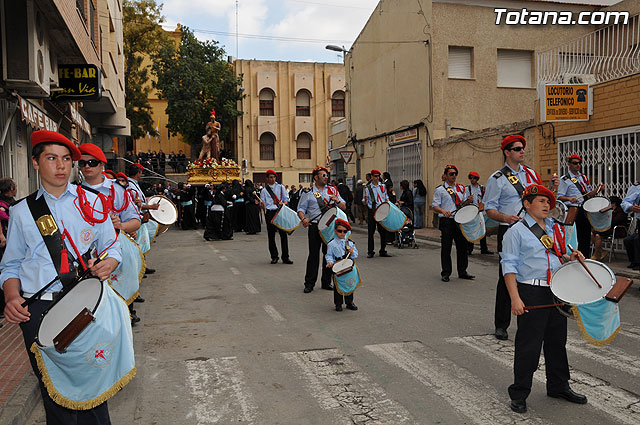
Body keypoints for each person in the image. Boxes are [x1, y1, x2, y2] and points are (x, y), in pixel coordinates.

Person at [1, 131, 123, 424]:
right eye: (51, 158)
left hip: (85, 304)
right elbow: (11, 264)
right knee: (53, 390)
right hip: (39, 310)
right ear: (35, 163)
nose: (61, 166)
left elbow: (112, 246)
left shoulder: (92, 202)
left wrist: (111, 263)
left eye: (66, 159)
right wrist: (11, 296)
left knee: (92, 384)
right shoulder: (21, 211)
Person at [501, 184, 587, 414]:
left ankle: (558, 386)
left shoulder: (553, 228)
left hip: (556, 290)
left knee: (557, 342)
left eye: (548, 201)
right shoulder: (515, 232)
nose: (546, 205)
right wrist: (515, 299)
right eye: (541, 201)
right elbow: (508, 268)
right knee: (529, 345)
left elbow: (558, 255)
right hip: (531, 291)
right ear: (527, 204)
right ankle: (519, 392)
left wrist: (571, 256)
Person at [484, 134, 558, 341]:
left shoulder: (532, 174)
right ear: (507, 152)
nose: (522, 151)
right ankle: (501, 323)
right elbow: (489, 208)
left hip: (534, 231)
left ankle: (532, 316)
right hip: (510, 230)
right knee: (507, 276)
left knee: (535, 272)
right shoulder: (497, 179)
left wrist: (553, 189)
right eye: (517, 149)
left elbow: (541, 200)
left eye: (523, 148)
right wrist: (505, 217)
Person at [78, 143, 144, 323]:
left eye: (91, 162)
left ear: (102, 165)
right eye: (82, 164)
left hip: (117, 253)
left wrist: (121, 225)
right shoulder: (75, 193)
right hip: (88, 255)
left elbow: (136, 221)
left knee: (122, 305)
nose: (87, 167)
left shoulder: (118, 190)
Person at [297, 166, 346, 293]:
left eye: (326, 175)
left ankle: (326, 282)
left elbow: (344, 206)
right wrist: (303, 219)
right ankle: (309, 283)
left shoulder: (333, 190)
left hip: (330, 227)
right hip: (314, 226)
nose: (326, 177)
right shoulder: (308, 193)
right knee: (313, 255)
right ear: (316, 177)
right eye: (323, 175)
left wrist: (337, 201)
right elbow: (301, 209)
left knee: (329, 255)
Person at [431, 165, 474, 282]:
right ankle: (446, 272)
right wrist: (443, 211)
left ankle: (462, 271)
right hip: (447, 221)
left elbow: (463, 205)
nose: (454, 176)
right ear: (445, 175)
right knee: (446, 247)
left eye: (455, 173)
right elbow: (434, 205)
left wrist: (468, 201)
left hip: (460, 220)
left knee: (462, 246)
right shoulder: (440, 190)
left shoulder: (461, 188)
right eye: (451, 174)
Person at [557, 154, 605, 255]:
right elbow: (559, 197)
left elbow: (588, 195)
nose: (578, 165)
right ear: (569, 164)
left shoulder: (583, 178)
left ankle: (585, 257)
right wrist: (569, 198)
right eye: (575, 163)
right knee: (575, 235)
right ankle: (574, 255)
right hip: (573, 210)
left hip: (584, 209)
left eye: (579, 163)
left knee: (585, 236)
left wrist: (598, 189)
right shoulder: (565, 179)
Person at [260, 170, 292, 264]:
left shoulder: (281, 187)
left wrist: (284, 203)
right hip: (270, 213)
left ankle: (285, 257)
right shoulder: (264, 190)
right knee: (271, 236)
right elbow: (263, 204)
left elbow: (287, 200)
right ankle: (274, 256)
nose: (273, 179)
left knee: (283, 235)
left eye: (274, 177)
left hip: (280, 212)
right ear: (267, 179)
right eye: (270, 177)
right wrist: (262, 204)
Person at [325, 219, 358, 311]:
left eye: (344, 231)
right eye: (340, 231)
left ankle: (349, 302)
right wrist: (330, 262)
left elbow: (356, 254)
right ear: (335, 231)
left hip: (349, 268)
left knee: (349, 284)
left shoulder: (349, 243)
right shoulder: (331, 244)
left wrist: (352, 253)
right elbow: (329, 255)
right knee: (338, 286)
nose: (342, 233)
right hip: (338, 267)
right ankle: (338, 304)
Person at [362, 169, 391, 258]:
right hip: (372, 211)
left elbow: (386, 196)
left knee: (383, 232)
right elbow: (363, 201)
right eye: (375, 176)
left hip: (382, 210)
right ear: (371, 177)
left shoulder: (382, 186)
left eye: (378, 176)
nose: (377, 178)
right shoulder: (367, 188)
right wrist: (365, 200)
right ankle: (370, 251)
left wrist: (388, 202)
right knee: (371, 232)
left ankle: (383, 250)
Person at [0, 177, 16, 324]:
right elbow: (4, 217)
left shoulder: (13, 203)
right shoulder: (2, 204)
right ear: (10, 188)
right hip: (4, 245)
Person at [590, 195, 627, 260]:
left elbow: (614, 221)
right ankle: (602, 251)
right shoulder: (609, 211)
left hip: (616, 229)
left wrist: (610, 213)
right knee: (592, 234)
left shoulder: (620, 211)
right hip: (606, 228)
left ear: (613, 204)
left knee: (598, 235)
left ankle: (595, 254)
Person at [467, 171, 492, 255]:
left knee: (482, 230)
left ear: (477, 179)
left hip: (481, 210)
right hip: (472, 211)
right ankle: (469, 249)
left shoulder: (482, 188)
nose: (472, 180)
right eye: (470, 178)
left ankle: (484, 248)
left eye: (474, 178)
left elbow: (486, 198)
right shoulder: (468, 189)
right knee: (472, 230)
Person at [621, 181, 640, 270]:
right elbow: (625, 202)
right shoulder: (637, 187)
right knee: (630, 240)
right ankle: (635, 262)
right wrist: (631, 207)